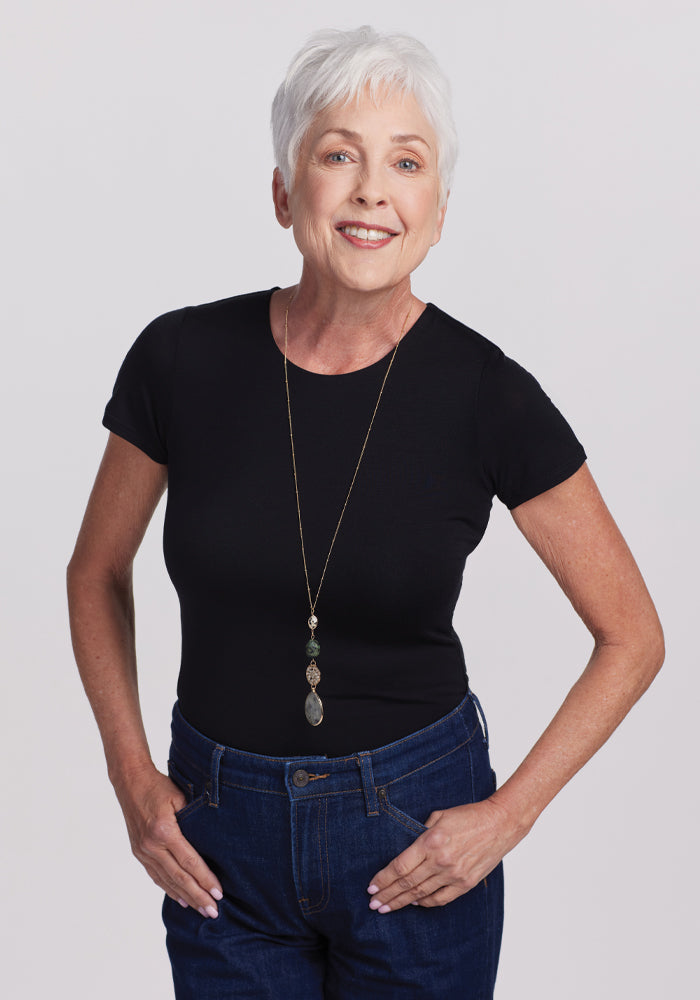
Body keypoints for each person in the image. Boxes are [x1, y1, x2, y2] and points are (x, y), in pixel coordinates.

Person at [67, 25, 664, 999]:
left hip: (412, 830)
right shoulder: (179, 360)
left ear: (437, 212)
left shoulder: (489, 394)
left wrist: (506, 815)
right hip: (220, 832)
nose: (370, 189)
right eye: (337, 153)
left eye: (406, 162)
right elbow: (94, 571)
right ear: (282, 192)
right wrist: (133, 778)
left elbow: (631, 635)